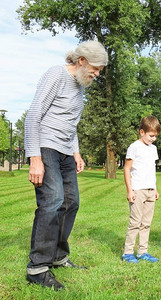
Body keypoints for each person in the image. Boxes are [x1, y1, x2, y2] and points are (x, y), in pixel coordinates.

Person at [25, 41, 108, 290]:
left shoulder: (79, 86)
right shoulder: (57, 74)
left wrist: (77, 153)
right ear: (81, 61)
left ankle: (58, 256)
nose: (96, 74)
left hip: (65, 152)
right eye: (95, 68)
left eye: (100, 70)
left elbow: (70, 125)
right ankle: (37, 268)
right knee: (52, 201)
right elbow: (34, 114)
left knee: (71, 203)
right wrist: (35, 158)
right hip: (46, 147)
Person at [122, 115, 161, 264]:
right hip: (138, 190)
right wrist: (130, 190)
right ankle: (128, 253)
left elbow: (151, 170)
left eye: (155, 136)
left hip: (150, 190)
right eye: (151, 135)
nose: (153, 139)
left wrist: (155, 188)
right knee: (135, 222)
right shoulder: (134, 147)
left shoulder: (153, 149)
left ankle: (143, 251)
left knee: (146, 223)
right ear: (142, 132)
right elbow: (127, 169)